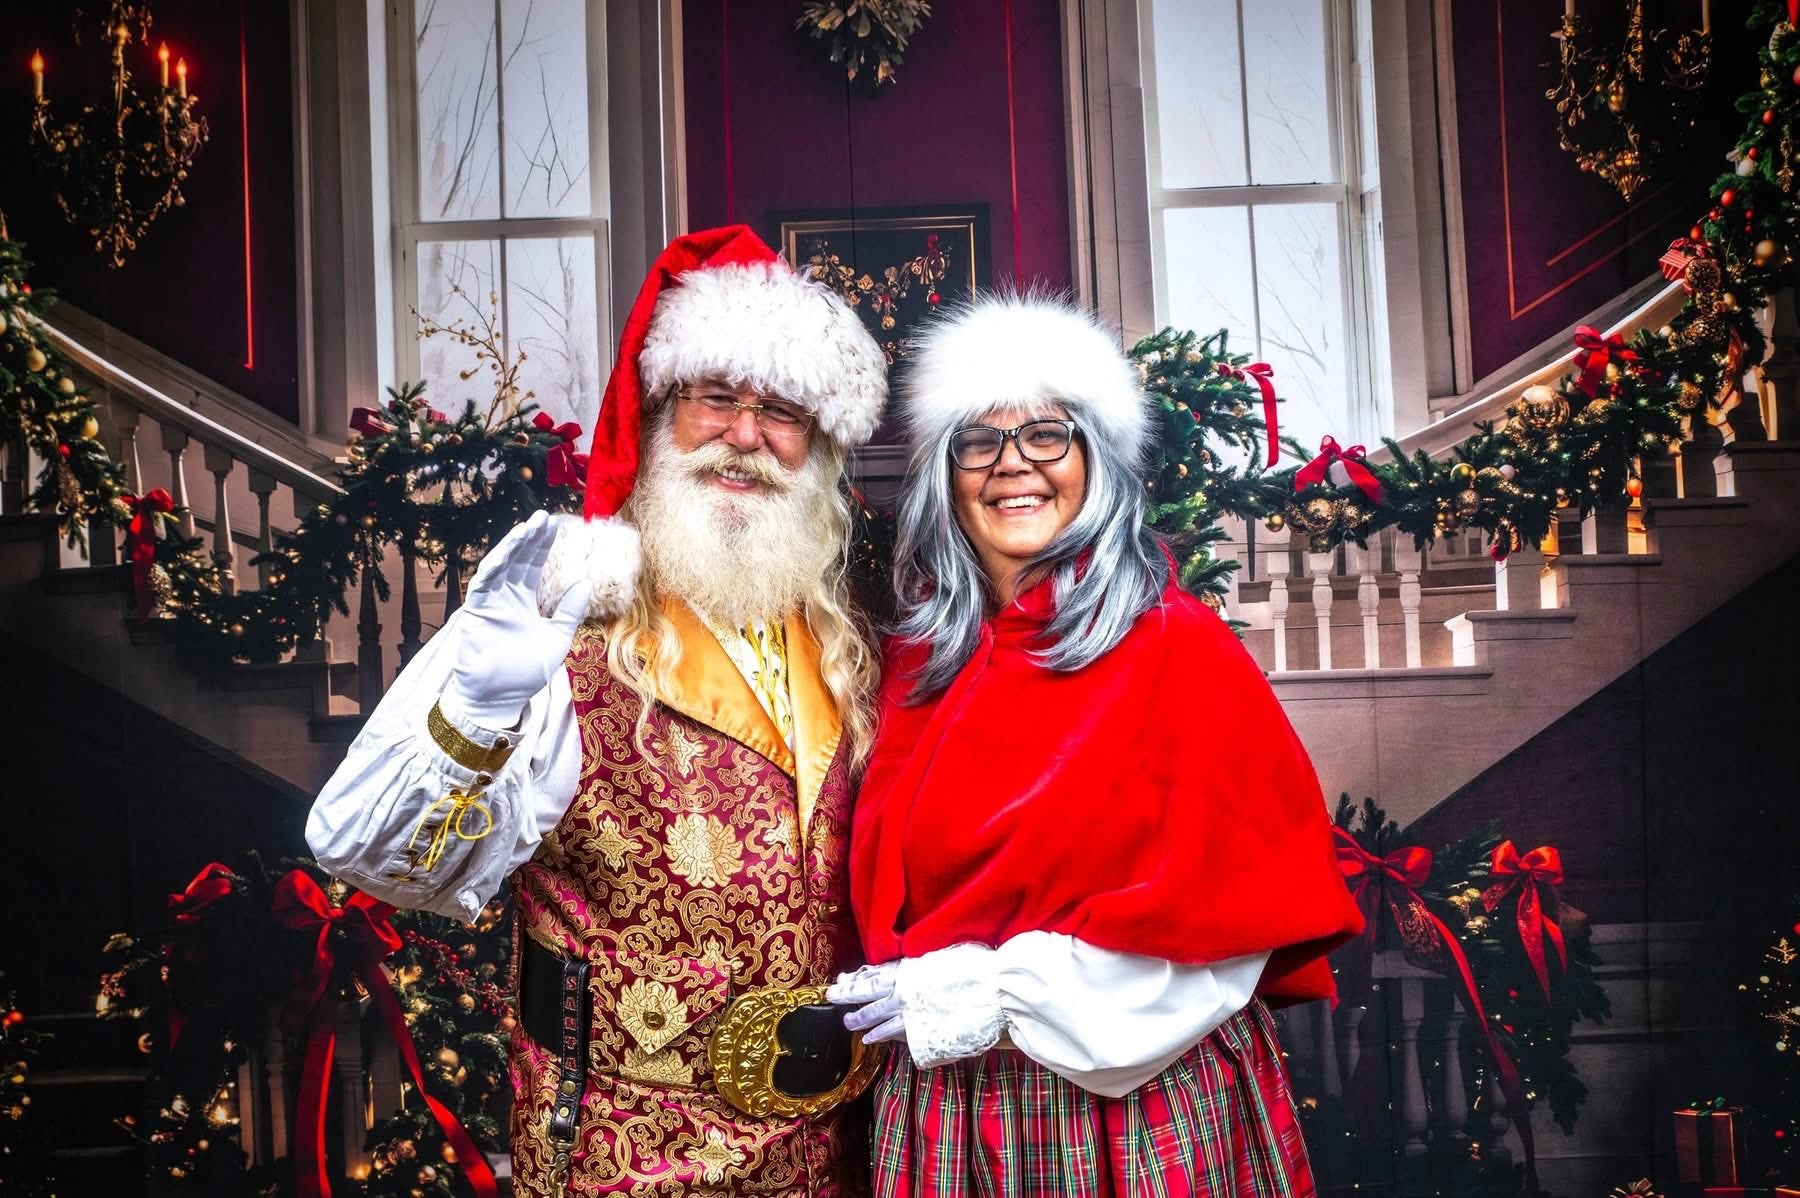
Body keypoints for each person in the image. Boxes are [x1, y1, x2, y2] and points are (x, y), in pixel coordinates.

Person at [307, 225, 890, 1196]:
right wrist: (480, 706)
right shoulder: (555, 625)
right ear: (660, 416)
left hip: (831, 1154)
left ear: (819, 444)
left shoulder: (846, 635)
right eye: (716, 398)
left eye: (781, 409)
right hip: (619, 1155)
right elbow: (372, 861)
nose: (746, 436)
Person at [828, 294, 1364, 1197]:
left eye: (1047, 435)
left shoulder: (1175, 646)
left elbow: (1228, 934)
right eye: (979, 442)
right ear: (945, 477)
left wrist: (997, 995)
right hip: (943, 1112)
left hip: (1128, 1109)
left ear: (1095, 461)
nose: (1012, 467)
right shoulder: (917, 662)